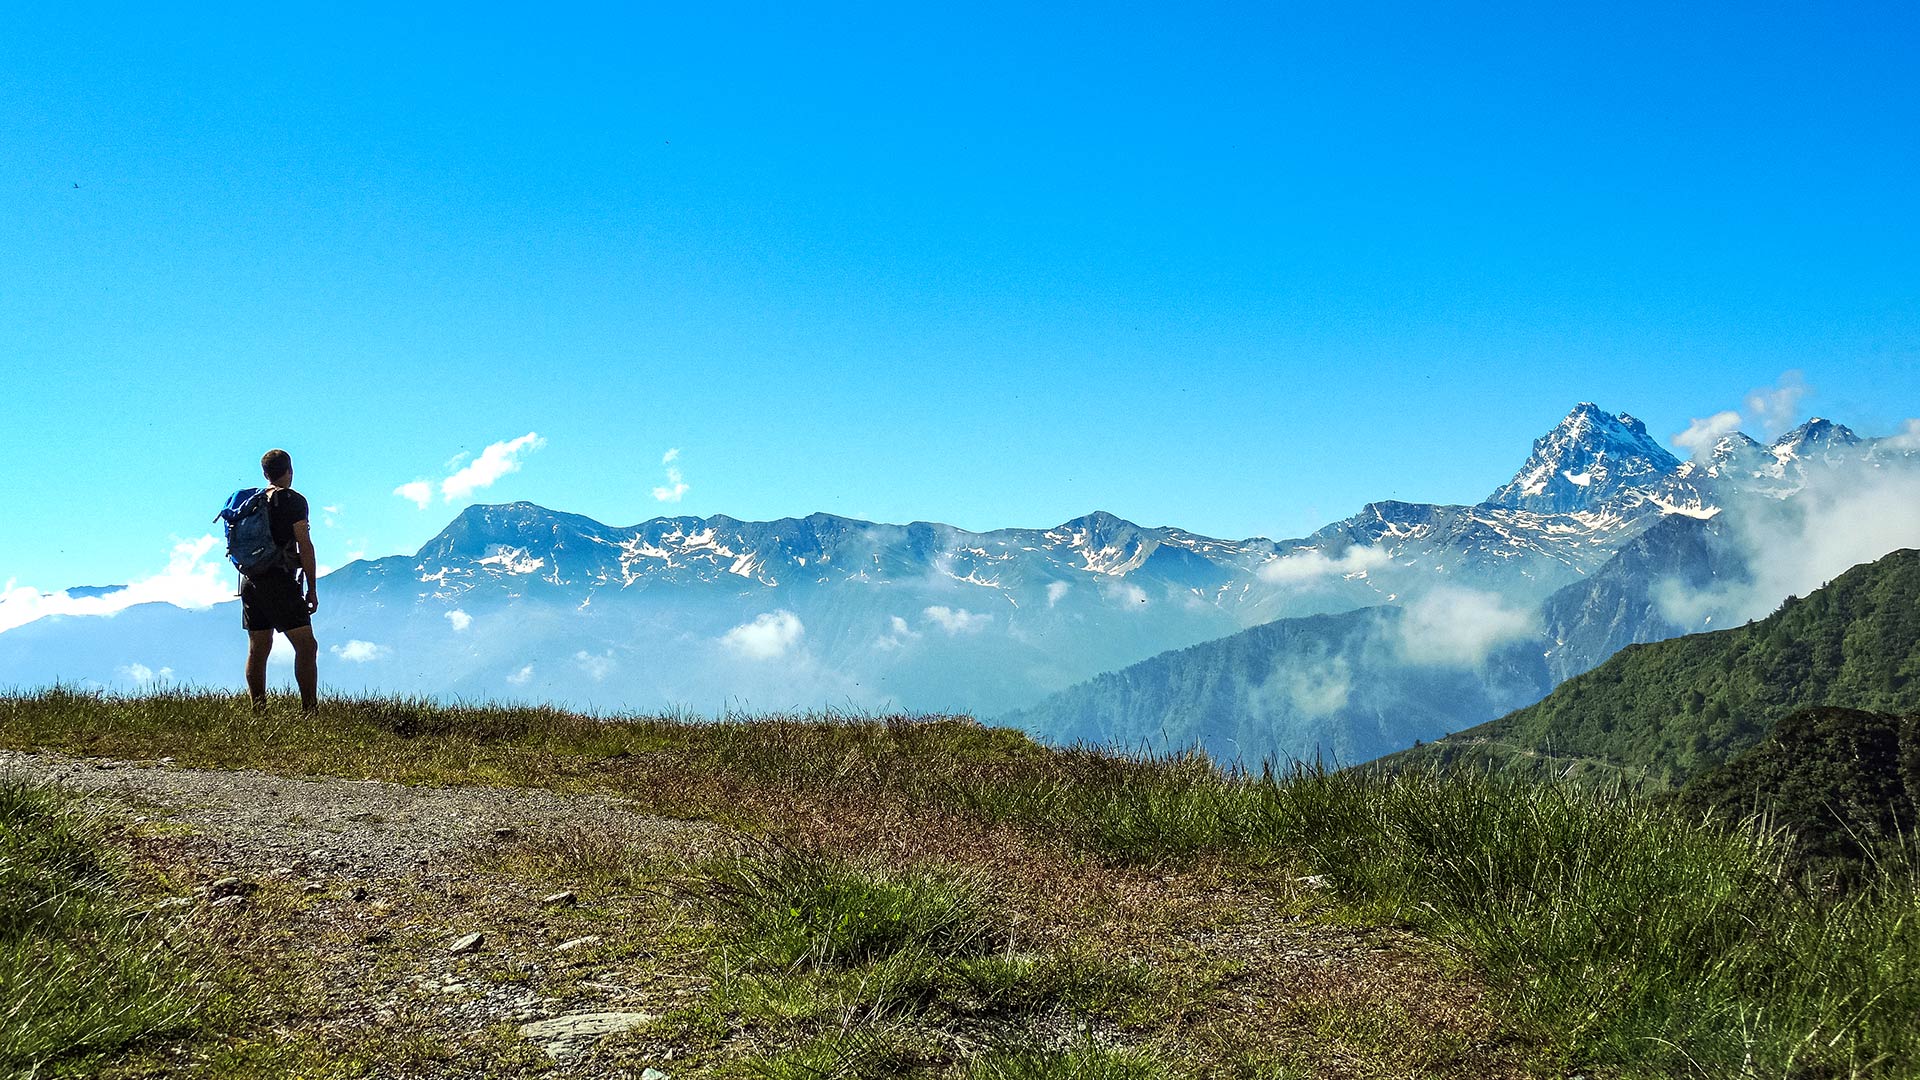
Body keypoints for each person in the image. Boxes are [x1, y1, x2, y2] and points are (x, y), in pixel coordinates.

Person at [243, 448, 320, 710]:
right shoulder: (293, 501)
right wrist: (312, 588)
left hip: (250, 580)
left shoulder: (251, 502)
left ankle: (258, 709)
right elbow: (304, 545)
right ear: (289, 471)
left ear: (265, 473)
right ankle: (310, 711)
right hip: (279, 580)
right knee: (307, 646)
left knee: (258, 647)